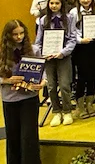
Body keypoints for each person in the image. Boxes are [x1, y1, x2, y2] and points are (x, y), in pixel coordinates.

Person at [1, 19, 45, 164]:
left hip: (29, 99)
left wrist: (43, 82)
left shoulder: (34, 50)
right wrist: (7, 80)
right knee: (13, 137)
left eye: (21, 33)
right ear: (8, 35)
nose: (19, 37)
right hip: (10, 99)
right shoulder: (2, 52)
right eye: (15, 34)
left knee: (29, 137)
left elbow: (43, 71)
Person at [33, 0, 77, 127]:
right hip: (48, 58)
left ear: (62, 4)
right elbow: (38, 41)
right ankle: (56, 111)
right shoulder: (43, 20)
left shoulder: (69, 18)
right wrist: (42, 54)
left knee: (64, 85)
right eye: (51, 3)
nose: (54, 6)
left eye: (57, 3)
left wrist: (63, 52)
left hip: (63, 56)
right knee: (51, 86)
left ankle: (67, 111)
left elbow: (72, 39)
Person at [72, 0, 95, 119]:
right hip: (80, 47)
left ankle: (90, 104)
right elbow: (71, 32)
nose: (85, 0)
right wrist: (80, 40)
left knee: (92, 75)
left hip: (94, 46)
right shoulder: (74, 12)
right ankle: (80, 106)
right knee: (81, 77)